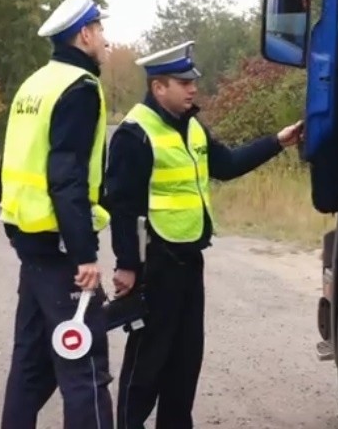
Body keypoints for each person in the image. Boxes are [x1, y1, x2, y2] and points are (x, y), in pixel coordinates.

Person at [104, 40, 303, 428]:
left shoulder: (191, 125)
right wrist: (127, 265)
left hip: (189, 260)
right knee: (148, 360)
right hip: (154, 264)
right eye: (183, 82)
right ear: (159, 87)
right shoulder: (135, 133)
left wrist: (276, 142)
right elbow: (122, 206)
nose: (192, 88)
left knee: (184, 361)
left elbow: (226, 165)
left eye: (192, 80)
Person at [0, 0, 114, 428]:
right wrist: (84, 253)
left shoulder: (34, 84)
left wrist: (18, 229)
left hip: (32, 244)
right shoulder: (79, 87)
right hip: (61, 248)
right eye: (100, 30)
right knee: (83, 363)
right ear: (84, 35)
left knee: (29, 368)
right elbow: (67, 178)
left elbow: (5, 166)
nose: (104, 39)